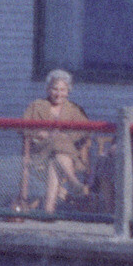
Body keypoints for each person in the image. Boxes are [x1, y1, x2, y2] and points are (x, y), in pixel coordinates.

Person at [22, 68, 94, 213]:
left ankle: (49, 209)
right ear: (48, 89)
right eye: (55, 89)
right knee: (57, 144)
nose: (59, 93)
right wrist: (39, 133)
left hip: (68, 157)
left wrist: (67, 136)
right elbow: (22, 127)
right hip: (40, 154)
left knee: (57, 159)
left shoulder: (74, 109)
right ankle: (73, 182)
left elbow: (86, 129)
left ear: (68, 91)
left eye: (63, 90)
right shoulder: (36, 106)